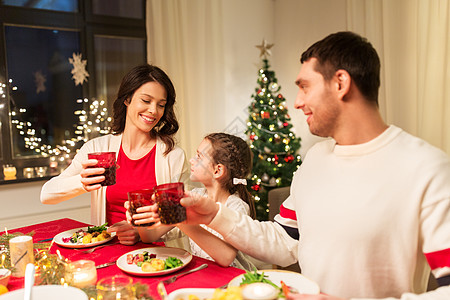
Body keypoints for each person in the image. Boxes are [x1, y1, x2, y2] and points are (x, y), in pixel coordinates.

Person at [178, 32, 450, 300]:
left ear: (340, 83)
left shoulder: (427, 169)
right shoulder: (315, 159)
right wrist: (213, 214)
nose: (297, 102)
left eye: (304, 86)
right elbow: (284, 239)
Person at [40, 64, 189, 245]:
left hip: (159, 257)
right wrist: (82, 182)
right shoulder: (98, 148)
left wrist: (142, 233)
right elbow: (47, 195)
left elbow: (182, 218)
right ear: (127, 99)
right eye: (146, 100)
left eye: (161, 105)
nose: (153, 111)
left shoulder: (173, 156)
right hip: (106, 250)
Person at [126, 132, 258, 270]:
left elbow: (226, 257)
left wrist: (180, 219)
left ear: (217, 170)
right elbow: (149, 236)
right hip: (203, 273)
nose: (191, 160)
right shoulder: (194, 196)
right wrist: (138, 214)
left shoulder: (236, 206)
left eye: (199, 156)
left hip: (233, 281)